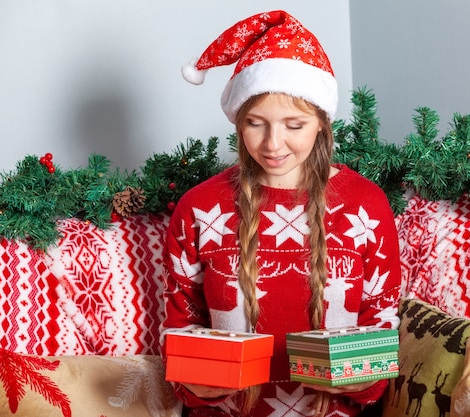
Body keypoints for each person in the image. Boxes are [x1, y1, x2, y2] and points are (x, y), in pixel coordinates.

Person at [160, 10, 401, 417]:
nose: (273, 144)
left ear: (322, 124)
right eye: (255, 123)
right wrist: (195, 382)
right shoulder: (200, 209)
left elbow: (382, 330)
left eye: (294, 125)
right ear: (238, 123)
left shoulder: (367, 207)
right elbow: (179, 329)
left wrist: (367, 377)